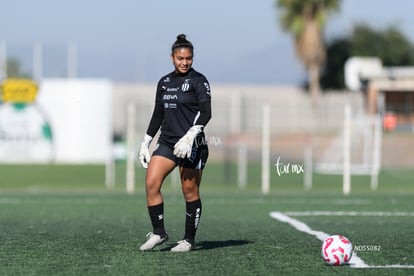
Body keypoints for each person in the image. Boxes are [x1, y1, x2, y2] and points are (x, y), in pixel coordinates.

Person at [138, 34, 212, 252]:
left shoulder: (199, 81)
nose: (184, 62)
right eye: (180, 58)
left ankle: (189, 240)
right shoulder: (164, 82)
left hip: (193, 144)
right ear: (172, 58)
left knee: (189, 191)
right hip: (168, 143)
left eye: (188, 58)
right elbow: (158, 114)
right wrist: (146, 141)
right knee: (151, 183)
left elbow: (206, 112)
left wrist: (191, 135)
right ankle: (159, 233)